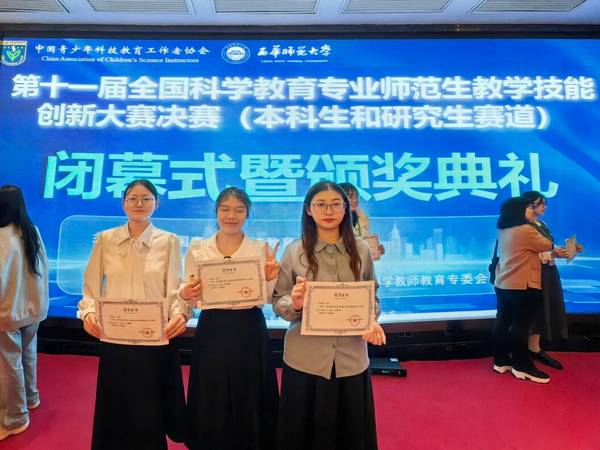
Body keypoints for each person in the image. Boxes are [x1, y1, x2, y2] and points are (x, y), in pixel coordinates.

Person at [273, 181, 386, 450]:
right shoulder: (294, 251)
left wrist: (370, 318)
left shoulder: (361, 249)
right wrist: (295, 303)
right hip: (305, 360)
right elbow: (278, 301)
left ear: (346, 209)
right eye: (320, 204)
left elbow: (373, 297)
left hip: (351, 358)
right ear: (308, 210)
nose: (328, 210)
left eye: (336, 204)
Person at [78, 179, 190, 450]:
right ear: (123, 203)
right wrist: (88, 312)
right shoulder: (106, 239)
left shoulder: (168, 241)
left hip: (154, 337)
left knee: (148, 404)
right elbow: (91, 287)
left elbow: (175, 288)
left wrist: (181, 314)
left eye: (146, 198)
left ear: (156, 204)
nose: (139, 204)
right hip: (115, 336)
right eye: (133, 198)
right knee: (115, 402)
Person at [179, 187, 280, 450]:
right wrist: (185, 293)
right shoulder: (198, 249)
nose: (231, 216)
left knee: (250, 386)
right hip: (213, 327)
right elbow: (190, 295)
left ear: (247, 213)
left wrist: (270, 278)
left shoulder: (259, 249)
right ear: (216, 212)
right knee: (212, 386)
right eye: (225, 209)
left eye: (239, 210)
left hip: (248, 326)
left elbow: (267, 298)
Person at [492, 196, 566, 384]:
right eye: (529, 207)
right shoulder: (526, 230)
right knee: (521, 326)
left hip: (503, 283)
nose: (532, 210)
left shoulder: (504, 228)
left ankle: (501, 361)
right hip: (522, 285)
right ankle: (521, 366)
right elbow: (547, 245)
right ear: (519, 210)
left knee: (503, 321)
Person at [0, 185, 48, 441]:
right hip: (33, 309)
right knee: (27, 355)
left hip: (7, 312)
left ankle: (15, 418)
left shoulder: (1, 237)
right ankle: (30, 397)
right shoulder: (31, 231)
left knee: (8, 364)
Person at [521, 191, 584, 370]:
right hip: (532, 272)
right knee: (532, 310)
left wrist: (569, 250)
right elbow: (525, 252)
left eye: (544, 203)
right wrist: (552, 253)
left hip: (548, 271)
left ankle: (534, 348)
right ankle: (523, 350)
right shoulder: (522, 227)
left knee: (544, 308)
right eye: (540, 203)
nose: (544, 207)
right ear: (528, 205)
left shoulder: (541, 224)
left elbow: (548, 249)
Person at [339, 182, 385, 256]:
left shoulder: (362, 219)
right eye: (350, 197)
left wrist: (376, 250)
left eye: (357, 196)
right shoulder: (332, 223)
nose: (355, 200)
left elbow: (365, 249)